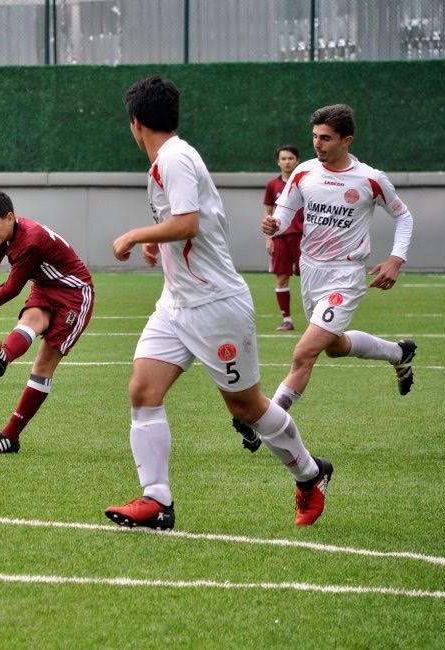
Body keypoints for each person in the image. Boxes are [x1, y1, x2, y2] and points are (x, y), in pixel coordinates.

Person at [103, 76, 332, 529]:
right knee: (143, 391)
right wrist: (156, 242)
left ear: (135, 122)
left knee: (246, 408)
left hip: (216, 305)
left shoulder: (174, 158)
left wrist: (135, 235)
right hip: (175, 305)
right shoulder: (168, 160)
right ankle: (157, 500)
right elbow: (185, 224)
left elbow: (187, 223)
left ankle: (310, 474)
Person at [258, 103, 416, 418]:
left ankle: (266, 423)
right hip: (310, 270)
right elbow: (285, 211)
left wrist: (396, 260)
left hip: (345, 275)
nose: (317, 144)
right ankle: (399, 353)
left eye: (326, 138)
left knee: (304, 353)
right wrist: (275, 224)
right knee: (334, 347)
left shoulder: (370, 178)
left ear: (347, 141)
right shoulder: (304, 171)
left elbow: (404, 216)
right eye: (315, 136)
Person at [0, 191, 94, 455]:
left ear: (9, 217)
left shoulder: (30, 242)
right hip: (46, 286)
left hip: (74, 294)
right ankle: (2, 357)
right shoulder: (12, 229)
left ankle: (9, 437)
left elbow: (11, 290)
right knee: (30, 320)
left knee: (43, 364)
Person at [264, 145, 303, 332]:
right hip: (280, 238)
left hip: (303, 237)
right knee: (281, 279)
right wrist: (268, 237)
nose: (287, 162)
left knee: (311, 278)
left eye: (291, 158)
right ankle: (287, 320)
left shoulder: (305, 183)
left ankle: (318, 321)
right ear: (278, 162)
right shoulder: (272, 185)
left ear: (297, 161)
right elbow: (268, 212)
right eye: (283, 158)